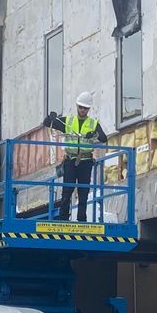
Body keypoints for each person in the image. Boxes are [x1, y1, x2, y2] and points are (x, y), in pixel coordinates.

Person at [44, 93, 106, 221]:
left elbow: (103, 138)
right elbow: (47, 123)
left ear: (89, 109)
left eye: (85, 108)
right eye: (81, 107)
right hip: (71, 160)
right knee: (67, 189)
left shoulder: (93, 124)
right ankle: (63, 217)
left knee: (83, 192)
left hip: (86, 160)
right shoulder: (68, 121)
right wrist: (50, 118)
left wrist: (94, 134)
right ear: (77, 106)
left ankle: (81, 219)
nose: (83, 110)